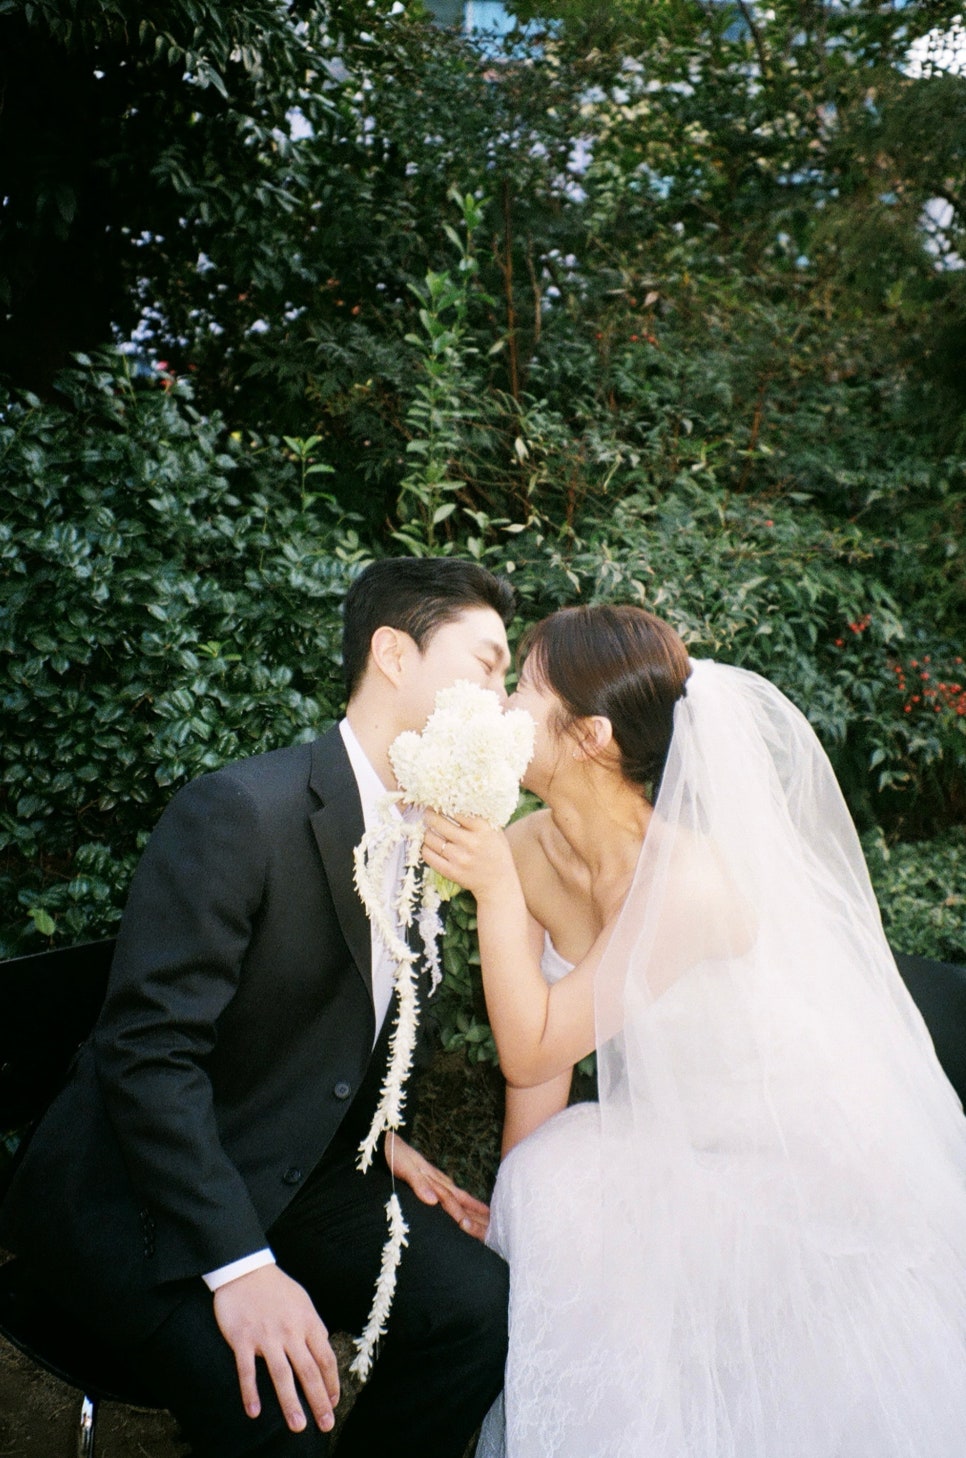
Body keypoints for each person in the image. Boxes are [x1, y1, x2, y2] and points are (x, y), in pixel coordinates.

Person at [421, 603, 966, 1458]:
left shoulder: (686, 880)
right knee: (556, 1184)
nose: (500, 706)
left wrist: (490, 891)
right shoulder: (525, 848)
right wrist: (513, 1223)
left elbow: (533, 1041)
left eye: (523, 687)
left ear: (591, 735)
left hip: (791, 1157)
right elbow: (536, 1066)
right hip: (669, 1140)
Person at [0, 557, 514, 1457]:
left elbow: (334, 1019)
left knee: (478, 1309)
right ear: (394, 654)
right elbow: (146, 1055)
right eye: (488, 664)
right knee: (286, 1417)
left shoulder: (431, 833)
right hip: (142, 1191)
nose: (502, 699)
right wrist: (240, 1267)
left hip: (297, 1168)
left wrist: (376, 1134)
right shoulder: (240, 811)